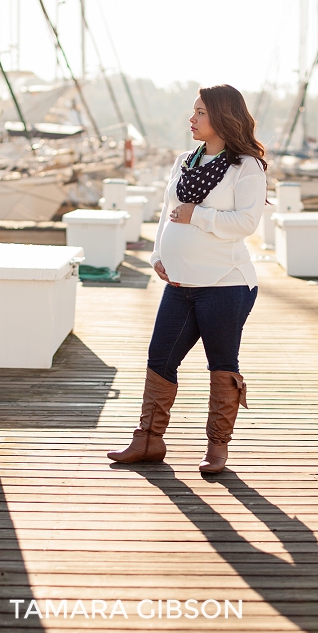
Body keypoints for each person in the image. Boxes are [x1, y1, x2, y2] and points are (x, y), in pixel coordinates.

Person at [108, 84, 267, 473]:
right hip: (180, 283)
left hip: (226, 283)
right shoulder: (184, 161)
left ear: (223, 117)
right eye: (193, 112)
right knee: (160, 358)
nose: (191, 119)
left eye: (200, 113)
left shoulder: (246, 166)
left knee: (221, 363)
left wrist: (199, 215)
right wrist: (159, 254)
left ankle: (217, 447)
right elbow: (168, 211)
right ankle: (147, 441)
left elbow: (245, 223)